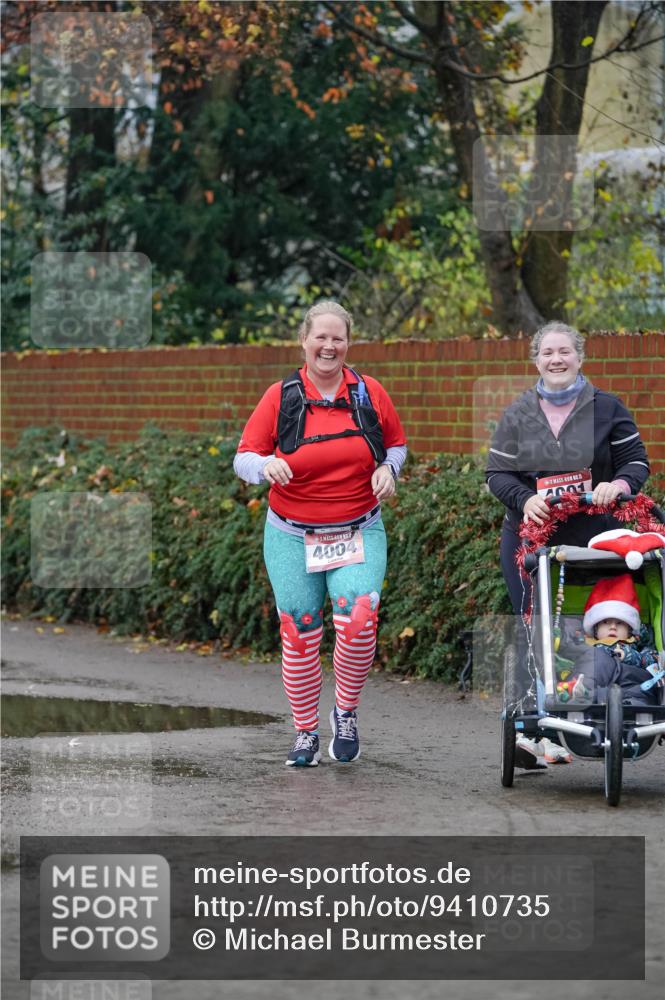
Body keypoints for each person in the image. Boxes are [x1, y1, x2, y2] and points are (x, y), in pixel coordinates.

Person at [234, 301, 407, 767]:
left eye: (338, 338)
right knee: (300, 630)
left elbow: (395, 444)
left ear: (348, 343)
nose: (329, 346)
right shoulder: (281, 395)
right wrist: (265, 465)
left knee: (359, 617)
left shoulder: (368, 392)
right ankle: (305, 732)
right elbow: (243, 456)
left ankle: (345, 712)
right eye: (321, 338)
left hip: (358, 528)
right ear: (304, 341)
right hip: (291, 533)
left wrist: (390, 470)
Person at [486, 321, 650, 768]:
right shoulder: (519, 413)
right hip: (531, 541)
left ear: (580, 357)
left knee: (597, 624)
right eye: (547, 353)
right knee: (535, 629)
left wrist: (617, 484)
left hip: (596, 542)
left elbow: (636, 462)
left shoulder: (607, 408)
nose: (556, 360)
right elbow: (497, 475)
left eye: (565, 352)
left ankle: (602, 711)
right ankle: (532, 729)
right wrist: (526, 498)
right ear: (535, 359)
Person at [579, 575, 662, 706]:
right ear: (595, 629)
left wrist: (632, 656)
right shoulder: (588, 645)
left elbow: (653, 660)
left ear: (629, 629)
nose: (613, 627)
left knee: (642, 689)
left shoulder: (635, 644)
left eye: (619, 623)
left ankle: (634, 707)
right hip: (598, 676)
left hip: (630, 679)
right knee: (595, 659)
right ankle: (583, 692)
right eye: (606, 622)